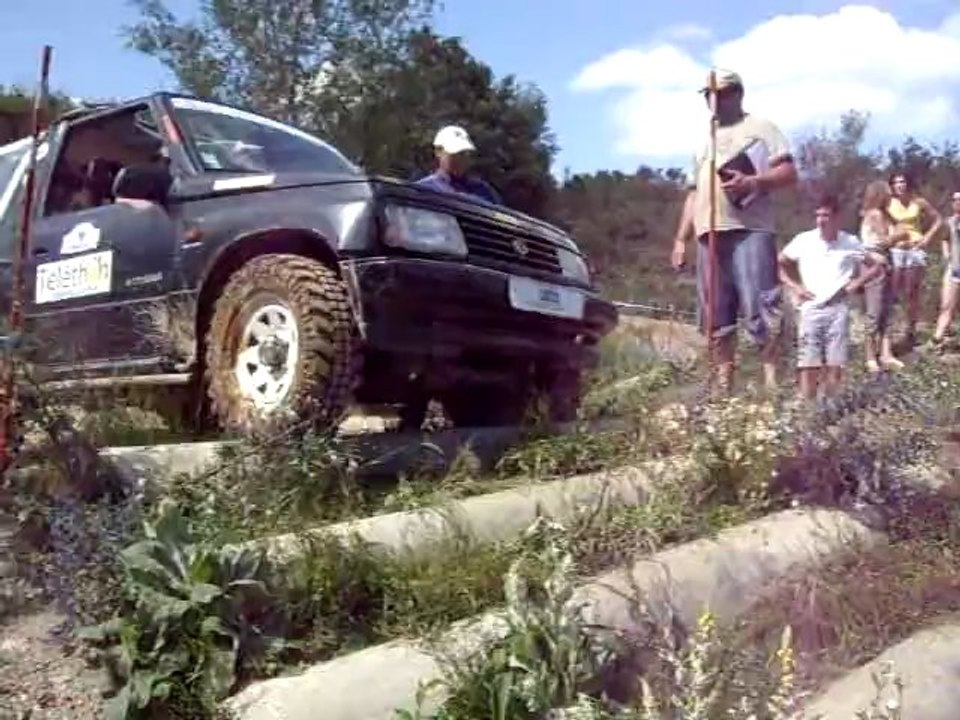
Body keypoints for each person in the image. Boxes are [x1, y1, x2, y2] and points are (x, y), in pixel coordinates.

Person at [670, 69, 798, 395]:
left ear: (738, 93)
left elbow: (788, 172)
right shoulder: (704, 138)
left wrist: (754, 182)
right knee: (715, 312)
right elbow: (693, 193)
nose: (714, 100)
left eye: (722, 93)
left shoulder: (761, 128)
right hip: (708, 234)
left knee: (762, 305)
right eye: (709, 94)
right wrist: (681, 239)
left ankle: (772, 381)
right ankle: (723, 384)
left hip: (749, 229)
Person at [778, 194, 885, 400]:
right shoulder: (804, 240)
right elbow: (779, 262)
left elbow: (876, 266)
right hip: (810, 307)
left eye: (826, 215)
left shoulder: (850, 242)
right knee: (808, 363)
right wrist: (795, 286)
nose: (821, 220)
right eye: (818, 215)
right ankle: (807, 406)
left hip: (838, 307)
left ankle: (831, 407)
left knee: (835, 363)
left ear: (837, 217)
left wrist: (856, 283)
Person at [886, 172, 942, 347]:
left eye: (902, 181)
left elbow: (938, 219)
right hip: (896, 249)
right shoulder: (888, 202)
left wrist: (927, 237)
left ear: (908, 184)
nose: (900, 185)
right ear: (892, 186)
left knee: (911, 292)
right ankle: (888, 332)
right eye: (896, 182)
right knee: (892, 292)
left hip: (914, 248)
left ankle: (910, 330)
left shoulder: (918, 202)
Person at [858, 180, 908, 372]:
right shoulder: (875, 214)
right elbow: (886, 239)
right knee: (875, 311)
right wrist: (897, 236)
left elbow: (902, 229)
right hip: (874, 264)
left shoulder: (885, 214)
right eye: (888, 194)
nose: (891, 197)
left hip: (886, 261)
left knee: (887, 310)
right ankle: (870, 356)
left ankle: (886, 354)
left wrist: (898, 235)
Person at [414, 125, 502, 205]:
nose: (461, 159)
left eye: (465, 153)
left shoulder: (483, 191)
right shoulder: (423, 190)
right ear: (438, 152)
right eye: (455, 153)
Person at [929, 190, 960, 349]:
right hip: (955, 269)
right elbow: (944, 240)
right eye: (955, 200)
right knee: (946, 305)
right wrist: (946, 254)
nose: (958, 202)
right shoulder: (949, 222)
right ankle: (937, 338)